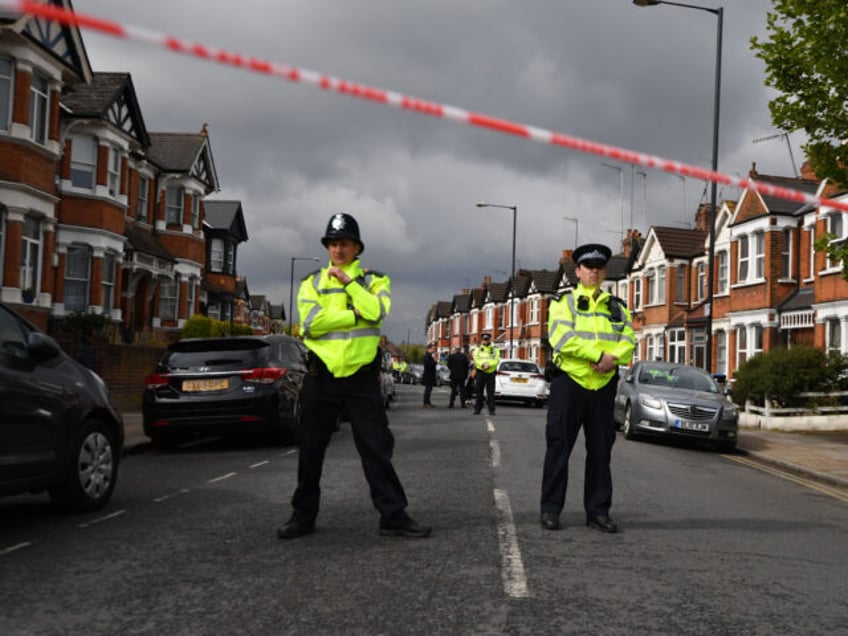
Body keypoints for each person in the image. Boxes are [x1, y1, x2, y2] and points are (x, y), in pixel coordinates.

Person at [277, 212, 431, 540]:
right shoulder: (311, 283)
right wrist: (352, 314)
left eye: (345, 243)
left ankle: (393, 515)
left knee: (376, 448)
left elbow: (376, 312)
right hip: (322, 377)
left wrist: (349, 284)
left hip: (362, 378)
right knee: (310, 449)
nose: (338, 249)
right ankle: (302, 516)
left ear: (357, 247)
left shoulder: (376, 281)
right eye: (333, 243)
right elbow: (310, 325)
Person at [540, 243, 635, 534]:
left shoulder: (616, 306)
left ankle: (598, 512)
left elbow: (628, 340)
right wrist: (597, 356)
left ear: (604, 271)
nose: (593, 272)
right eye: (588, 268)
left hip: (603, 386)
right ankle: (551, 510)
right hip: (570, 382)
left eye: (598, 268)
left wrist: (612, 360)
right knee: (559, 448)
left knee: (601, 452)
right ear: (577, 271)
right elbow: (562, 337)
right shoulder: (562, 302)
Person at [472, 333, 500, 415]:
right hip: (481, 372)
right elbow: (476, 359)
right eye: (484, 339)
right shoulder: (478, 349)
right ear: (482, 340)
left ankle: (492, 410)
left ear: (490, 339)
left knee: (490, 392)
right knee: (479, 392)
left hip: (491, 372)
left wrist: (489, 365)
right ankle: (477, 409)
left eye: (487, 339)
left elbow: (496, 360)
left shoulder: (495, 349)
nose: (485, 341)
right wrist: (483, 364)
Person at [421, 343, 437, 408]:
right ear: (429, 349)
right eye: (433, 348)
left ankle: (428, 402)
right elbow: (429, 365)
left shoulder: (429, 355)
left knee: (429, 390)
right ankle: (426, 403)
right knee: (428, 390)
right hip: (428, 376)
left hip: (430, 375)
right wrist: (435, 361)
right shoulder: (427, 356)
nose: (434, 349)